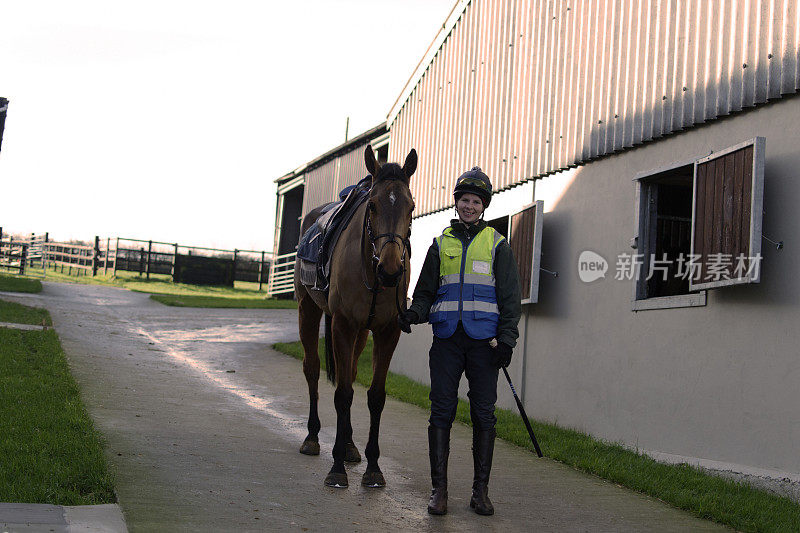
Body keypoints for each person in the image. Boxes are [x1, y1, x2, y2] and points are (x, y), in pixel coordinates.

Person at [398, 167, 521, 516]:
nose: (469, 206)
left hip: (486, 344)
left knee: (484, 414)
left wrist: (507, 340)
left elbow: (510, 298)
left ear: (483, 207)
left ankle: (480, 492)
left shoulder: (497, 244)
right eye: (464, 200)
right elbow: (425, 293)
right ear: (456, 203)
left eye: (476, 201)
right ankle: (440, 491)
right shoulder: (440, 245)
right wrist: (413, 313)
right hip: (447, 341)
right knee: (441, 410)